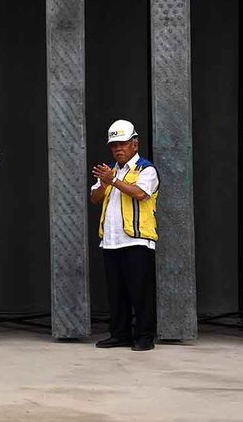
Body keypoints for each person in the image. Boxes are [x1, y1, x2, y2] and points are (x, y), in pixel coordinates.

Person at [90, 119, 159, 352]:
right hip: (111, 241)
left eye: (123, 143)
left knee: (140, 292)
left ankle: (144, 337)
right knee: (116, 292)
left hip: (137, 240)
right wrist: (103, 183)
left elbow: (140, 194)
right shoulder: (109, 172)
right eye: (114, 145)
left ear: (135, 145)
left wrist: (113, 181)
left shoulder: (146, 169)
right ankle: (119, 335)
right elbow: (95, 199)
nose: (118, 148)